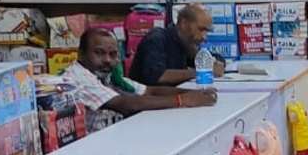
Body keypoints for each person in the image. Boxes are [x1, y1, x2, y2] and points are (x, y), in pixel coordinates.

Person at [65, 29, 216, 127]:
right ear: (81, 54)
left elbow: (149, 91)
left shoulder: (107, 76)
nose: (107, 60)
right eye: (99, 53)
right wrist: (182, 100)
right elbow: (125, 103)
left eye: (113, 54)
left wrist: (194, 94)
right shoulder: (77, 79)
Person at [128, 3, 224, 86]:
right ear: (184, 23)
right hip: (147, 99)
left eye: (207, 31)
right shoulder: (157, 39)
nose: (204, 37)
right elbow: (157, 76)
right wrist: (201, 72)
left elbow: (210, 58)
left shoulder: (186, 43)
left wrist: (216, 63)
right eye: (201, 29)